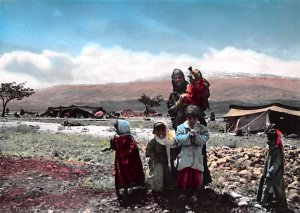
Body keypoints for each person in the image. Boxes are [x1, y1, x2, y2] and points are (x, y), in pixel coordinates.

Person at [175, 105, 209, 190]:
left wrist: (196, 137)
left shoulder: (202, 128)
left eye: (194, 118)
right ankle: (184, 191)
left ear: (197, 118)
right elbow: (178, 138)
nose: (192, 120)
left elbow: (205, 138)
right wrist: (188, 136)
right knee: (185, 172)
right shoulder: (181, 127)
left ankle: (196, 192)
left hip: (197, 155)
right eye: (190, 118)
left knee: (196, 172)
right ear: (187, 117)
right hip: (185, 155)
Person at [110, 119, 145, 198]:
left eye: (117, 129)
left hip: (123, 162)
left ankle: (125, 188)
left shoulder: (119, 139)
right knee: (131, 173)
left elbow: (114, 147)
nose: (116, 130)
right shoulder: (129, 138)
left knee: (122, 174)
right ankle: (133, 185)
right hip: (130, 162)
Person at [257, 128, 289, 211]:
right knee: (269, 187)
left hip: (274, 174)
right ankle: (265, 202)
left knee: (274, 188)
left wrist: (270, 173)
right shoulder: (272, 149)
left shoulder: (277, 151)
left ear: (275, 140)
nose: (268, 142)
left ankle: (267, 204)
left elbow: (276, 164)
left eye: (270, 140)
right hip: (270, 172)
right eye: (268, 140)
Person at [146, 121, 178, 192]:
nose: (160, 132)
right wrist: (157, 156)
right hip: (157, 161)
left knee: (169, 173)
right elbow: (148, 152)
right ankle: (158, 189)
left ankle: (169, 188)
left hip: (169, 161)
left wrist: (171, 157)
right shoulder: (153, 141)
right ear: (155, 131)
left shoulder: (171, 141)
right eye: (158, 130)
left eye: (163, 130)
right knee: (158, 173)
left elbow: (175, 151)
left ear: (166, 130)